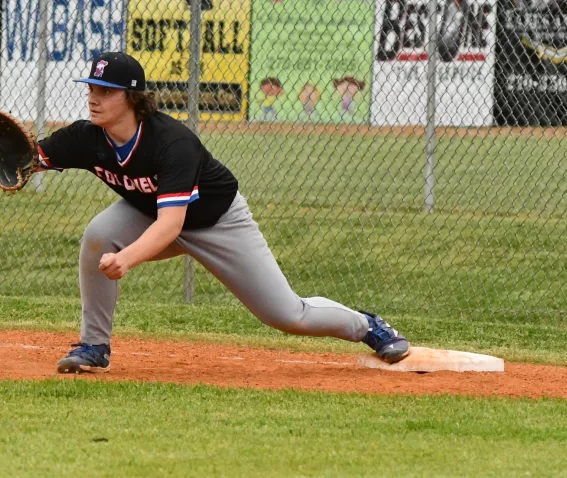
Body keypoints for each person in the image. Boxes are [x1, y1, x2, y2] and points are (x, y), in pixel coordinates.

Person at [32, 52, 411, 373]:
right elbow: (29, 158)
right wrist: (16, 161)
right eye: (91, 89)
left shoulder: (172, 142)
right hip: (149, 212)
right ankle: (94, 346)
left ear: (131, 98)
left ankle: (367, 326)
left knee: (287, 315)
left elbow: (171, 226)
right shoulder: (85, 137)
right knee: (98, 236)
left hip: (218, 222)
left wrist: (127, 258)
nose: (94, 99)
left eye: (106, 91)